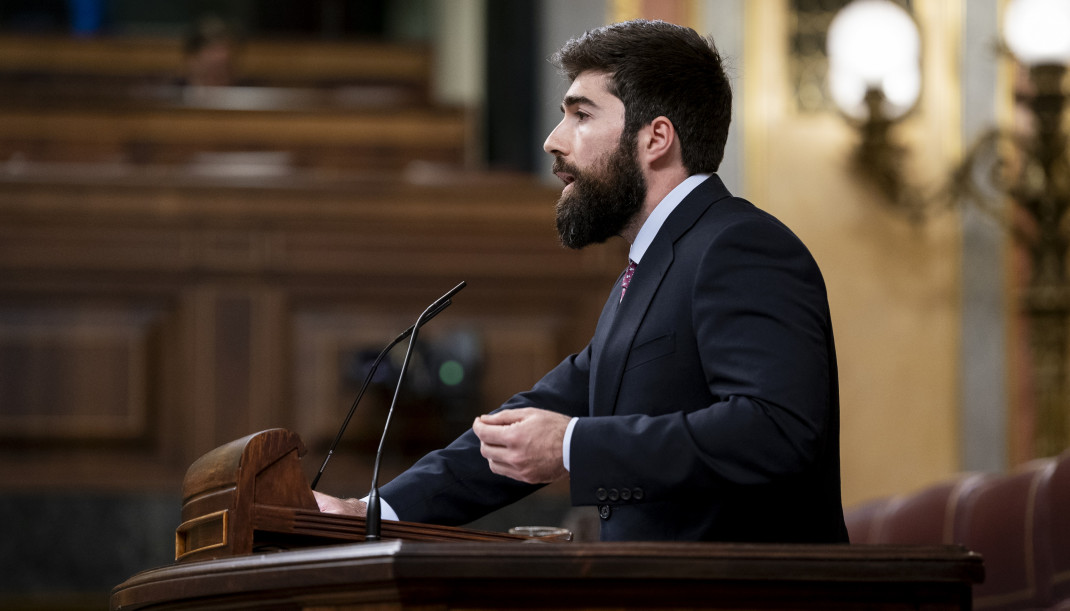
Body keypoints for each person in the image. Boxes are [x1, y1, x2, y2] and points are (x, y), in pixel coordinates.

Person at [316, 19, 849, 543]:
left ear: (656, 138)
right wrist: (370, 513)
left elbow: (775, 430)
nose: (553, 140)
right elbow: (523, 429)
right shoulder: (651, 270)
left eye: (581, 115)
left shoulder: (740, 246)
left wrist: (574, 446)